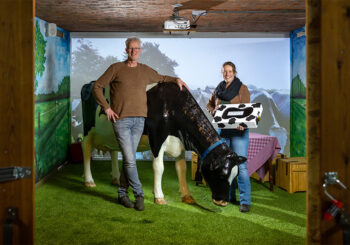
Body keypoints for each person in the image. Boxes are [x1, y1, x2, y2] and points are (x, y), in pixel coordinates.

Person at [93, 37, 188, 211]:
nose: (134, 51)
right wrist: (106, 108)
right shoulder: (116, 68)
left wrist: (177, 80)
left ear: (140, 50)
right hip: (120, 120)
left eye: (137, 48)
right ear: (126, 49)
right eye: (131, 48)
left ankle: (122, 194)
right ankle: (139, 194)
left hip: (139, 121)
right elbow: (97, 87)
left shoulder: (145, 71)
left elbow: (162, 77)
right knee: (130, 160)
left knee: (128, 161)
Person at [206, 61, 251, 213]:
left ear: (235, 72)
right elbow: (209, 105)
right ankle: (229, 196)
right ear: (222, 72)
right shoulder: (218, 89)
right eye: (224, 71)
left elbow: (247, 110)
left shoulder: (242, 88)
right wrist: (214, 111)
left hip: (239, 132)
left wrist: (242, 123)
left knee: (241, 167)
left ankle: (245, 201)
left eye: (230, 71)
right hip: (223, 132)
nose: (227, 74)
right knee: (226, 165)